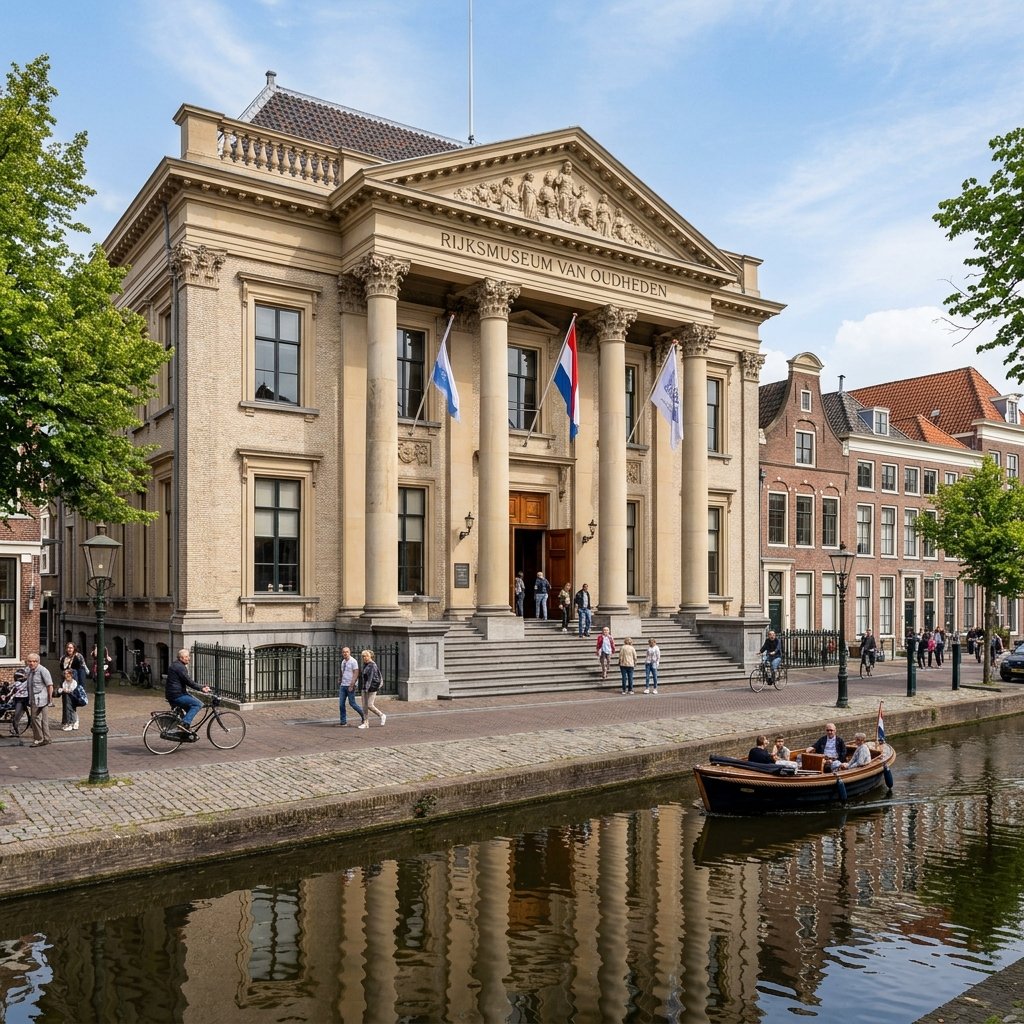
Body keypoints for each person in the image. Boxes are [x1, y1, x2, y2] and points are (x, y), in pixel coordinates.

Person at [165, 648, 210, 738]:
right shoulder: (180, 667)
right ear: (181, 658)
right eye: (187, 657)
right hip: (177, 695)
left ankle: (184, 730)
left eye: (188, 656)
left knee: (189, 707)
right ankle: (184, 724)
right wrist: (202, 688)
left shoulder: (175, 665)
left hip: (172, 694)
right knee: (198, 704)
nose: (189, 658)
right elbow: (189, 682)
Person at [24, 653, 54, 748]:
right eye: (30, 661)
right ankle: (46, 738)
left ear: (38, 661)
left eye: (34, 661)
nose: (32, 663)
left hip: (42, 698)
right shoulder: (28, 670)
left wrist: (50, 699)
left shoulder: (43, 670)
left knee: (35, 718)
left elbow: (50, 685)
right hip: (33, 698)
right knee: (40, 719)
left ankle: (39, 739)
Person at [357, 649, 387, 729]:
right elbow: (362, 676)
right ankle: (366, 723)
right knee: (364, 706)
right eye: (363, 656)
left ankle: (381, 715)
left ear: (370, 656)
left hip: (371, 688)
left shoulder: (373, 665)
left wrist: (367, 688)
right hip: (364, 687)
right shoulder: (364, 665)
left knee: (369, 705)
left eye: (366, 656)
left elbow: (371, 678)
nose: (364, 658)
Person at [337, 645, 365, 727]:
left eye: (347, 652)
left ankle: (364, 716)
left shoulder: (353, 661)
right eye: (343, 652)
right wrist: (340, 678)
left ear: (349, 652)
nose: (345, 653)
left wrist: (352, 685)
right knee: (341, 704)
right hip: (343, 685)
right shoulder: (343, 662)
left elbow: (356, 673)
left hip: (350, 685)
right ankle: (343, 721)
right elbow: (342, 672)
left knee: (352, 703)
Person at [8, 667, 29, 736]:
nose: (18, 678)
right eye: (17, 677)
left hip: (26, 700)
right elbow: (10, 689)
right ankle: (16, 732)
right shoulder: (16, 683)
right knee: (16, 717)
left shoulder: (27, 682)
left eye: (20, 677)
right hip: (18, 700)